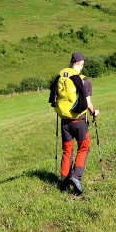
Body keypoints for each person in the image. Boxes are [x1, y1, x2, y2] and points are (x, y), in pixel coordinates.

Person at [48, 51, 100, 195]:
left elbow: (54, 99)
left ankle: (63, 183)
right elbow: (88, 103)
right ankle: (76, 176)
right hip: (80, 122)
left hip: (64, 121)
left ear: (70, 63)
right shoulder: (84, 80)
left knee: (67, 151)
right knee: (83, 148)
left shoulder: (60, 78)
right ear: (81, 64)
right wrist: (94, 112)